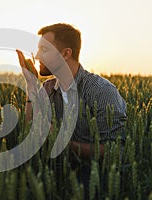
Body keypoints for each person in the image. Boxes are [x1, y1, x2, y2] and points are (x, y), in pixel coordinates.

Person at [16, 23, 127, 199]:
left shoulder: (101, 91)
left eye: (44, 50)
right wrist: (31, 85)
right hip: (57, 169)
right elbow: (30, 129)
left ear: (66, 54)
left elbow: (114, 150)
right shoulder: (47, 89)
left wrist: (62, 142)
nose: (37, 56)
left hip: (94, 175)